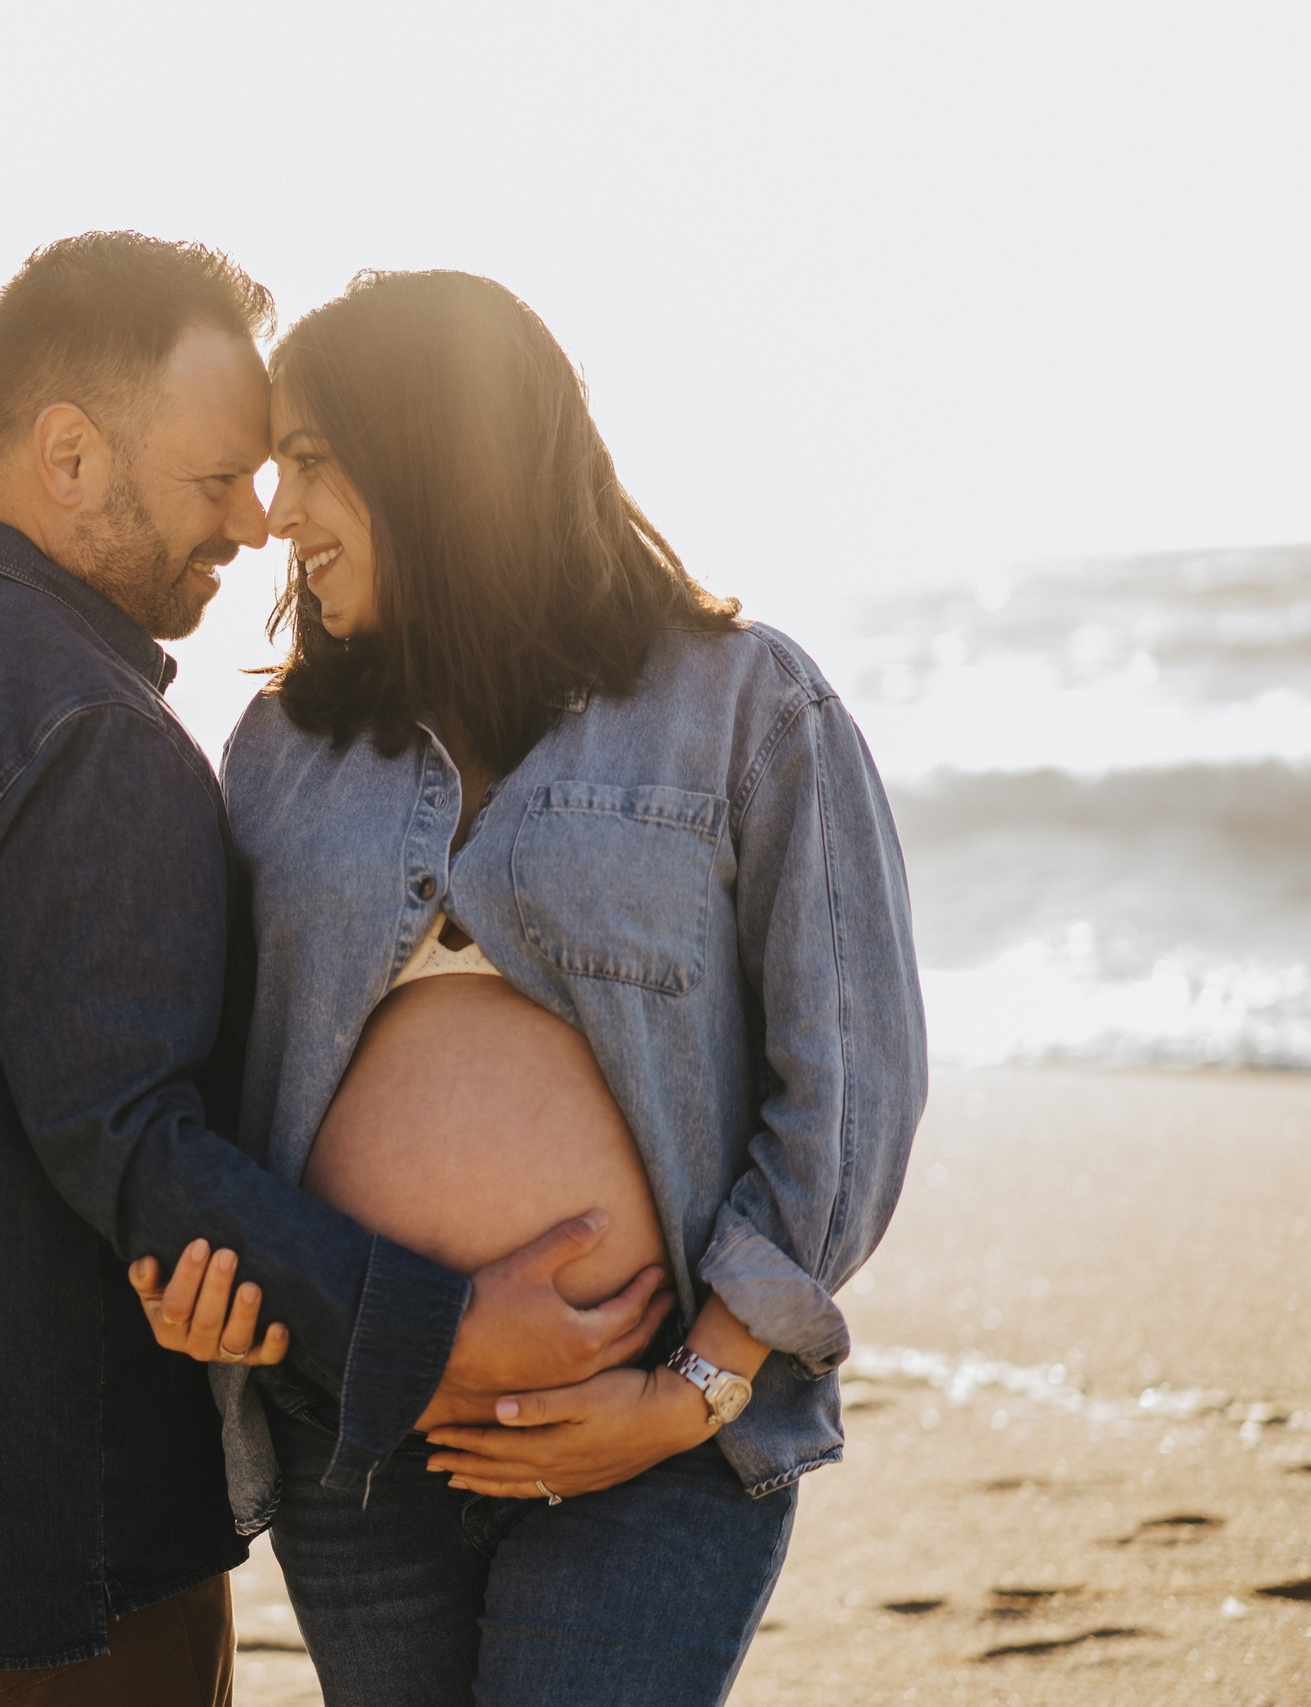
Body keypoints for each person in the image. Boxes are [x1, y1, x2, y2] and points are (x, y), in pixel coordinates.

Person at [0, 235, 671, 1705]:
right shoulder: (86, 728)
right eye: (212, 479)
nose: (251, 522)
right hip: (30, 1538)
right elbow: (132, 1146)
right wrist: (434, 1330)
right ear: (66, 453)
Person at [134, 270, 928, 1706]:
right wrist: (209, 1284)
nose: (277, 511)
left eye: (311, 459)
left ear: (436, 450)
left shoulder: (747, 705)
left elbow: (852, 1080)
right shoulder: (280, 750)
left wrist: (691, 1395)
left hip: (648, 1440)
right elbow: (205, 1087)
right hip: (356, 1434)